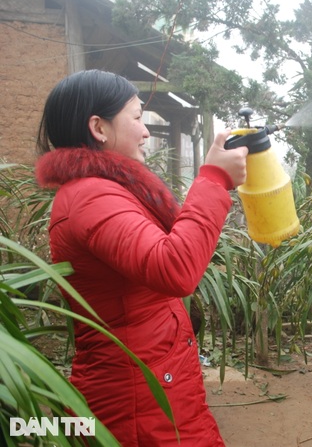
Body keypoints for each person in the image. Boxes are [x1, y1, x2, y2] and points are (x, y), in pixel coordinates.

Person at [34, 69, 248, 446]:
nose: (146, 131)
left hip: (150, 381)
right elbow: (173, 267)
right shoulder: (92, 197)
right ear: (98, 128)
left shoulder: (102, 191)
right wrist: (214, 178)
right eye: (136, 117)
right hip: (137, 399)